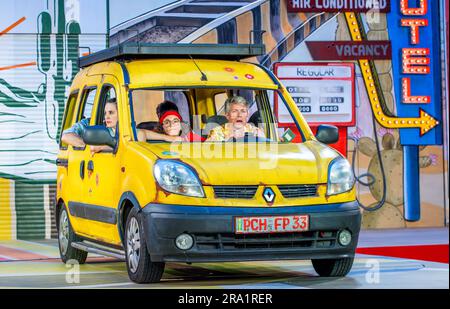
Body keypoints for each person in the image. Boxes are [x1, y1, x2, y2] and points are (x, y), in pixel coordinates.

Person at [137, 100, 203, 142]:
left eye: (175, 121)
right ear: (162, 125)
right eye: (167, 122)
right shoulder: (155, 134)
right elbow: (140, 133)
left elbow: (207, 143)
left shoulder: (188, 136)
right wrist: (168, 138)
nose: (171, 125)